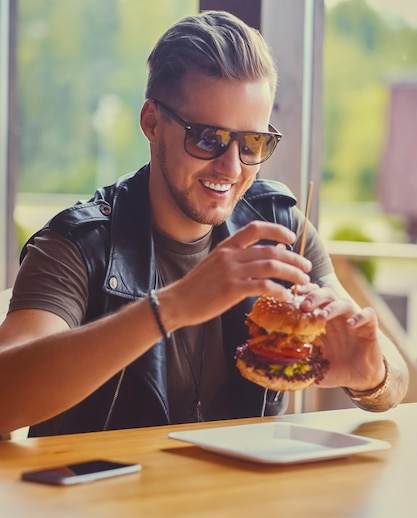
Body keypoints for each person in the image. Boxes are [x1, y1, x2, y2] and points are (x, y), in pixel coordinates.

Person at [0, 10, 408, 436]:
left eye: (252, 142)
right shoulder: (76, 243)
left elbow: (394, 378)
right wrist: (172, 307)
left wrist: (371, 376)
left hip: (241, 494)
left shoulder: (280, 223)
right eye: (207, 138)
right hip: (99, 498)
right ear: (152, 123)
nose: (231, 167)